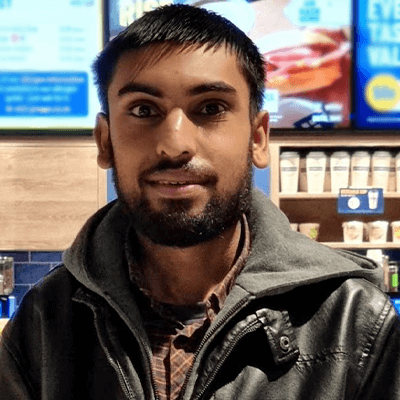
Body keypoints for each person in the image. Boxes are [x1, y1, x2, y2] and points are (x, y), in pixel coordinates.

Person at [0, 4, 399, 399]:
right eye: (143, 110)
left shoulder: (355, 321)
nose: (175, 145)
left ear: (258, 138)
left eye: (210, 108)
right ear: (105, 141)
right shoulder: (44, 321)